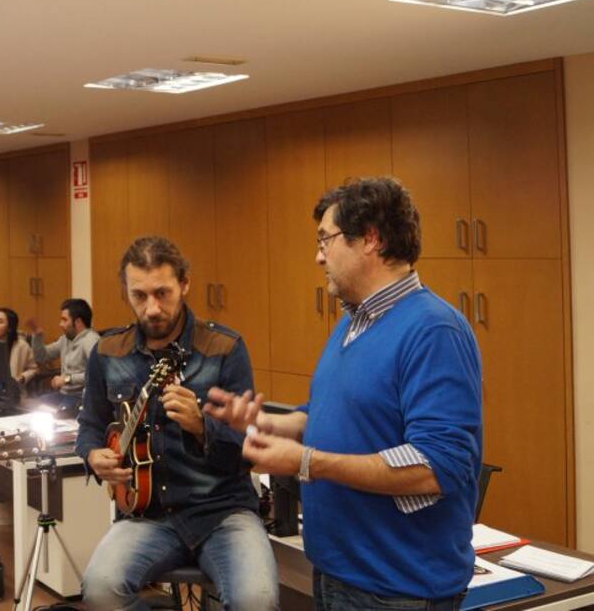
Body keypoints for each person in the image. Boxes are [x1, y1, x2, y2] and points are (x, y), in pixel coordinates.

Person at [206, 177, 483, 609]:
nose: (318, 256)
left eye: (326, 240)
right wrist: (268, 422)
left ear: (370, 238)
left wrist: (306, 462)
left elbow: (436, 465)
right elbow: (337, 415)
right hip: (338, 570)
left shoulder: (434, 330)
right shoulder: (352, 324)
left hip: (396, 589)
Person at [78, 236, 278, 611]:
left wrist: (202, 427)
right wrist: (92, 454)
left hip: (224, 511)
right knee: (100, 589)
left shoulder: (224, 348)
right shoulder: (107, 352)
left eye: (162, 293)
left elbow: (249, 448)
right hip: (147, 516)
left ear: (184, 284)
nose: (152, 308)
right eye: (139, 296)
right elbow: (90, 423)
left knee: (256, 600)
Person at [27, 298, 99, 415]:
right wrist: (37, 336)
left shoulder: (91, 341)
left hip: (81, 397)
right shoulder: (65, 339)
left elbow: (97, 375)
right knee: (34, 407)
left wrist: (66, 379)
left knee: (56, 415)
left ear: (78, 322)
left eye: (64, 320)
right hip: (64, 394)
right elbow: (41, 357)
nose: (60, 324)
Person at [0, 307, 35, 386]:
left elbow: (34, 369)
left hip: (11, 389)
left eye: (0, 322)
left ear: (9, 327)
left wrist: (22, 377)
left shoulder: (21, 346)